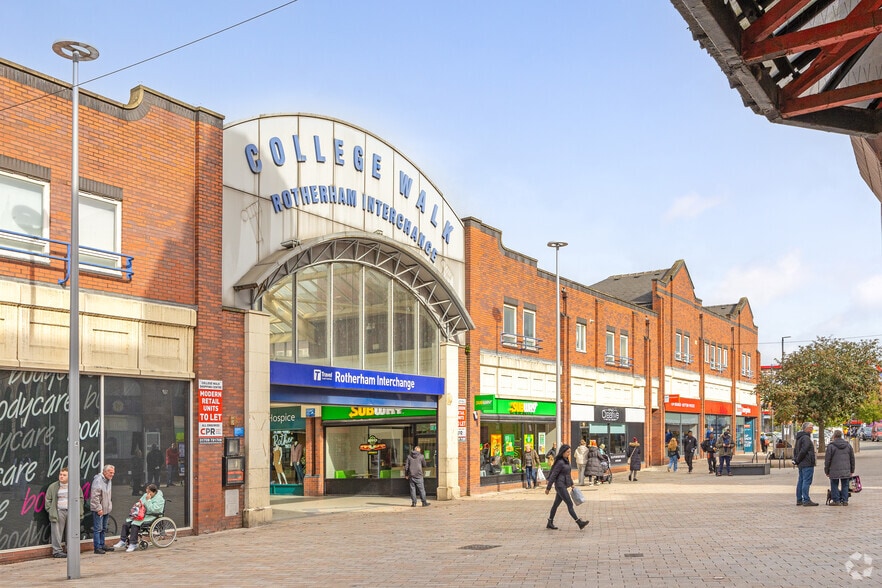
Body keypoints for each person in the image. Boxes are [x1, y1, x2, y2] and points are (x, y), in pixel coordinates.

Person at [544, 444, 588, 530]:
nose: (569, 453)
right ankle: (579, 522)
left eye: (569, 452)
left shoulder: (566, 460)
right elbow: (553, 475)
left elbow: (567, 474)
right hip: (560, 486)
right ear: (563, 452)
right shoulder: (560, 462)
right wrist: (548, 488)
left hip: (563, 484)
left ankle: (550, 522)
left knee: (555, 505)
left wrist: (571, 484)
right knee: (570, 504)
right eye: (567, 452)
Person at [44, 467, 84, 558]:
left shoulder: (75, 486)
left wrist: (79, 511)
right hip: (59, 511)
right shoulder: (53, 486)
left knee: (71, 532)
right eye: (60, 474)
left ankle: (71, 550)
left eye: (64, 475)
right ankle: (57, 551)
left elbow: (81, 498)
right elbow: (48, 500)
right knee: (57, 532)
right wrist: (51, 510)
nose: (61, 476)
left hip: (71, 512)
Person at [113, 483, 165, 552]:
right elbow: (141, 502)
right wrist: (138, 504)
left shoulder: (160, 499)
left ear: (154, 492)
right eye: (147, 492)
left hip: (152, 515)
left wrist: (148, 501)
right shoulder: (145, 495)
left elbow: (153, 509)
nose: (148, 494)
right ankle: (123, 540)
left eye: (149, 492)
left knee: (135, 524)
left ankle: (133, 543)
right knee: (126, 523)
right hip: (142, 514)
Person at [824, 429, 855, 506]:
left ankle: (836, 500)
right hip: (846, 469)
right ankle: (845, 500)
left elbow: (827, 460)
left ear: (834, 436)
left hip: (834, 470)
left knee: (834, 484)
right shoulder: (848, 445)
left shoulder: (831, 446)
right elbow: (852, 458)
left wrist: (826, 471)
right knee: (845, 484)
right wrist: (852, 470)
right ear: (841, 436)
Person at [90, 464, 115, 554]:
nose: (112, 474)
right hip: (99, 509)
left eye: (113, 473)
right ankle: (97, 547)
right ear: (104, 472)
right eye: (110, 472)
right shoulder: (98, 480)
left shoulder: (109, 480)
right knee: (98, 529)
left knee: (104, 528)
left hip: (106, 508)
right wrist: (98, 508)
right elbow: (94, 496)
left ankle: (102, 544)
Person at [794, 422, 818, 506]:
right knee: (806, 481)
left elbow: (796, 450)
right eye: (811, 427)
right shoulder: (806, 438)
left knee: (801, 480)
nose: (812, 429)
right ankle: (806, 499)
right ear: (806, 428)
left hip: (801, 463)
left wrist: (797, 460)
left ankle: (799, 499)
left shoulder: (799, 437)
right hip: (807, 462)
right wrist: (797, 459)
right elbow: (803, 450)